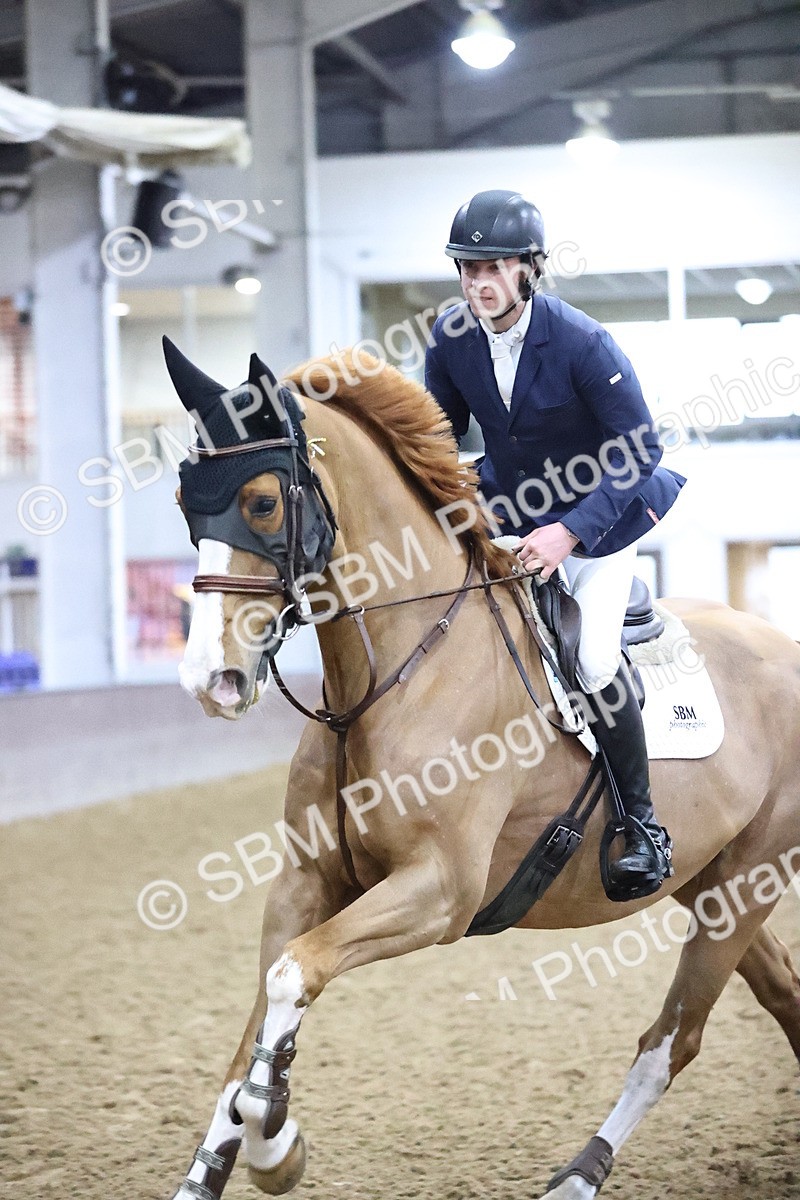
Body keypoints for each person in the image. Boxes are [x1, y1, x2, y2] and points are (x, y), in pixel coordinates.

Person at [425, 189, 686, 900]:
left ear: (527, 269)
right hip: (510, 513)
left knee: (594, 658)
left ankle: (643, 825)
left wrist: (569, 532)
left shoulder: (581, 342)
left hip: (598, 520)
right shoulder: (451, 339)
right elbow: (439, 439)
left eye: (495, 266)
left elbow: (639, 447)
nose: (479, 281)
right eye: (468, 267)